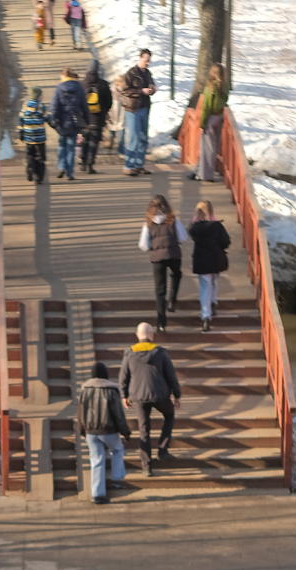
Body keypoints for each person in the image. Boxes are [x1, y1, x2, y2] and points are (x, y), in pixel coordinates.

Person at [119, 322, 181, 476]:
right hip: (160, 394)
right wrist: (177, 394)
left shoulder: (129, 353)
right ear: (151, 335)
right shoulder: (160, 353)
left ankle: (146, 467)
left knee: (143, 430)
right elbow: (170, 375)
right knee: (169, 415)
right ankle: (162, 449)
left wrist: (124, 395)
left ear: (137, 335)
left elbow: (123, 377)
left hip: (139, 397)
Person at [77, 360, 132, 501]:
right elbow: (118, 414)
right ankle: (117, 478)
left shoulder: (85, 390)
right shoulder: (111, 390)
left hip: (91, 431)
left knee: (96, 460)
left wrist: (82, 429)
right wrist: (125, 432)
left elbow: (81, 412)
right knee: (117, 449)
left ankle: (97, 494)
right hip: (109, 430)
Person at [138, 194, 188, 331]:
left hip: (157, 258)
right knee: (176, 274)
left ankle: (161, 323)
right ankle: (172, 299)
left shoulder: (148, 223)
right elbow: (183, 237)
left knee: (160, 290)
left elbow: (143, 244)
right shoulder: (172, 220)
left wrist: (153, 248)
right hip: (173, 255)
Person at [188, 199, 230, 332]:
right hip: (216, 258)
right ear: (211, 211)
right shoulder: (217, 226)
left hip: (202, 260)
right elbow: (226, 242)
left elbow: (193, 235)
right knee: (214, 280)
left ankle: (206, 316)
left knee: (204, 286)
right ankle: (213, 302)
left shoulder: (195, 228)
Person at [189, 63, 229, 183]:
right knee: (213, 149)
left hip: (210, 119)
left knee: (206, 148)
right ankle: (205, 172)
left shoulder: (210, 87)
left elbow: (206, 107)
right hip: (220, 118)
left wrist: (202, 124)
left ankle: (204, 175)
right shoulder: (225, 87)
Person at [120, 49, 156, 176]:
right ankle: (128, 165)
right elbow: (124, 91)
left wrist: (152, 89)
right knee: (134, 137)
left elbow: (151, 84)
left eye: (149, 60)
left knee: (143, 138)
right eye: (146, 60)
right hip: (132, 109)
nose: (147, 63)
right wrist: (141, 91)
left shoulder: (148, 73)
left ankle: (139, 164)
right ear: (140, 58)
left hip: (145, 107)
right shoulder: (131, 73)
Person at [51, 68, 90, 181]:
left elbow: (54, 106)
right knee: (71, 148)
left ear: (63, 77)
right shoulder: (78, 87)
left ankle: (62, 166)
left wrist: (54, 120)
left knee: (61, 146)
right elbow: (84, 106)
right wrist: (87, 121)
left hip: (62, 124)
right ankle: (70, 173)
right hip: (74, 123)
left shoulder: (59, 88)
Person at [80, 58, 112, 173]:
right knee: (94, 141)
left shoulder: (82, 84)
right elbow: (109, 102)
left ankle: (83, 162)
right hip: (98, 119)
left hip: (84, 119)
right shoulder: (103, 84)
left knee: (85, 139)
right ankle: (90, 165)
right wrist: (104, 111)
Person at [19, 87, 52, 183]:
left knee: (30, 155)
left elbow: (21, 119)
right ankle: (39, 178)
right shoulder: (41, 106)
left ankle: (30, 167)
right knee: (40, 157)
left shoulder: (25, 105)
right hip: (40, 137)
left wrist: (21, 131)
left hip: (28, 136)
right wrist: (55, 125)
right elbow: (48, 118)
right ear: (39, 96)